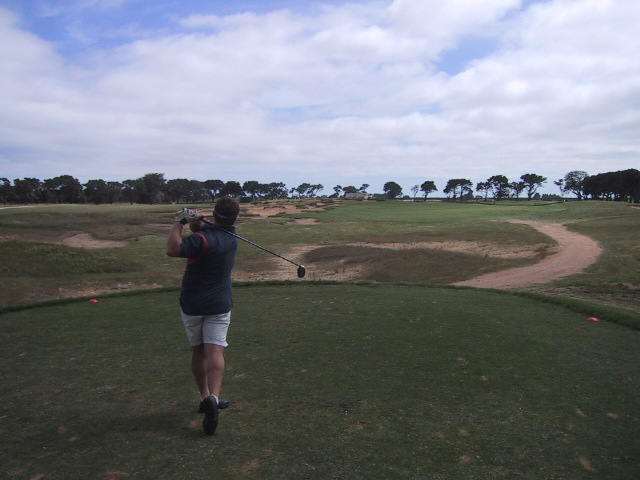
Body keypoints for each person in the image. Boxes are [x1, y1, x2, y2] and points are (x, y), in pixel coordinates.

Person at [166, 197, 241, 435]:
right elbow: (205, 237)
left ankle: (204, 397)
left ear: (215, 214)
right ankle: (214, 399)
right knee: (215, 351)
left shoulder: (201, 239)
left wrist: (179, 222)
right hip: (219, 303)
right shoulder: (232, 238)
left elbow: (173, 249)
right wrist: (197, 225)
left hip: (193, 302)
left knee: (199, 351)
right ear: (235, 218)